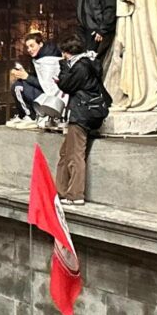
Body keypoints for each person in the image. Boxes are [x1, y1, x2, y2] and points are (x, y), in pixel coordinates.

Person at [55, 36, 111, 204]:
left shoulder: (80, 67)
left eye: (63, 54)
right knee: (66, 153)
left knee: (75, 155)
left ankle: (75, 194)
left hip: (80, 114)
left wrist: (63, 67)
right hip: (87, 112)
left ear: (67, 53)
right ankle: (62, 191)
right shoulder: (88, 63)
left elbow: (65, 84)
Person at [7, 32, 63, 129]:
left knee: (18, 87)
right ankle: (23, 115)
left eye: (32, 46)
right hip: (43, 93)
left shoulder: (48, 60)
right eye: (28, 47)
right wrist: (24, 74)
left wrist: (27, 77)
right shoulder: (39, 58)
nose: (29, 50)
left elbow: (47, 86)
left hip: (51, 97)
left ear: (40, 44)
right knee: (18, 84)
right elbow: (39, 78)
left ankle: (31, 117)